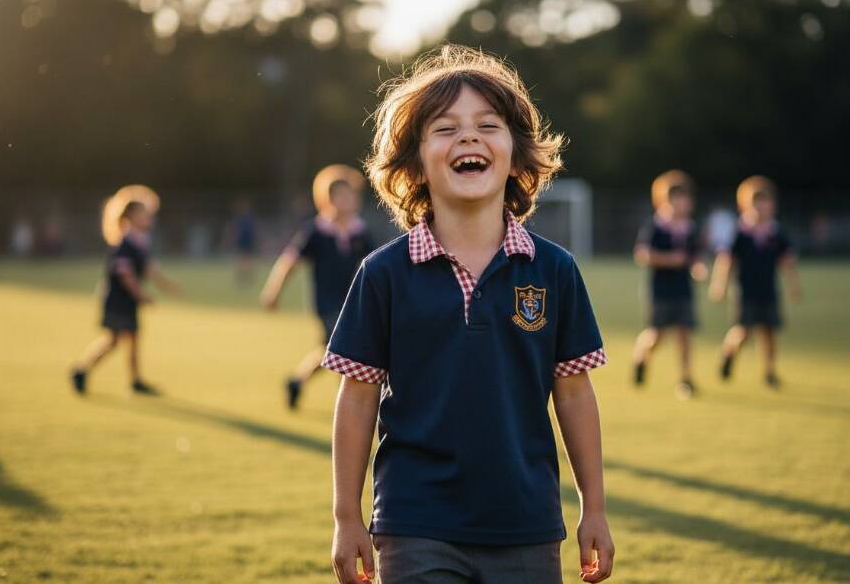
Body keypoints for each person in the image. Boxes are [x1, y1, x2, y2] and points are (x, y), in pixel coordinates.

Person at [324, 46, 613, 584]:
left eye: (488, 125)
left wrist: (592, 507)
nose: (469, 138)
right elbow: (358, 397)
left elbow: (574, 393)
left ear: (516, 153)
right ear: (414, 163)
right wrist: (346, 517)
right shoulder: (383, 273)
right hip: (414, 523)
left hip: (526, 525)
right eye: (445, 128)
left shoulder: (554, 270)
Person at [260, 164, 374, 410]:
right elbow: (289, 262)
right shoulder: (316, 232)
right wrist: (273, 292)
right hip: (326, 303)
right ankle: (350, 406)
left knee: (330, 350)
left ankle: (297, 381)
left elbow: (378, 264)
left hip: (351, 302)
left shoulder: (360, 231)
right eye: (345, 195)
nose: (351, 200)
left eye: (353, 195)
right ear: (328, 199)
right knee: (345, 350)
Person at [71, 186, 179, 395]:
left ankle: (135, 380)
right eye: (144, 213)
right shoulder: (124, 243)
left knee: (133, 338)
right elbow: (126, 275)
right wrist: (141, 294)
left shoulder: (139, 241)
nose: (149, 218)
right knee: (113, 340)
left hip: (128, 300)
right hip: (118, 300)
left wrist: (166, 285)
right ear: (131, 216)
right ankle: (81, 370)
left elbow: (148, 269)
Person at [709, 176, 802, 388]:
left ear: (773, 205)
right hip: (745, 291)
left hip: (768, 290)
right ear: (745, 205)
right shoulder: (739, 232)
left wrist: (793, 285)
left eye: (765, 202)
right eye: (756, 202)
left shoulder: (776, 233)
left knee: (769, 332)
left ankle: (769, 371)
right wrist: (720, 285)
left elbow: (786, 262)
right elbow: (726, 260)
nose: (761, 207)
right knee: (744, 331)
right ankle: (728, 352)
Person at [631, 170, 707, 400]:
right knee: (657, 334)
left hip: (683, 290)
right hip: (660, 290)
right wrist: (671, 259)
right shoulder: (656, 227)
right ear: (664, 200)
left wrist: (698, 268)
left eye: (686, 198)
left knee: (684, 334)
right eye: (677, 198)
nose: (683, 203)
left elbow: (695, 257)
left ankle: (686, 379)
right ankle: (641, 357)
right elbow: (642, 254)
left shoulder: (691, 229)